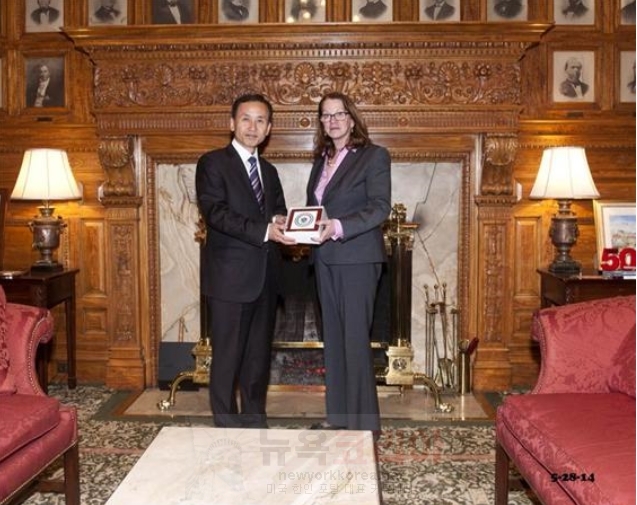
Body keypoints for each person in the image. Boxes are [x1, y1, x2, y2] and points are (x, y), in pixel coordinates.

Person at [195, 93, 295, 428]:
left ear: (269, 129)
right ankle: (226, 428)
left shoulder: (269, 171)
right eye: (246, 119)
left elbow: (277, 210)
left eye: (260, 120)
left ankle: (255, 423)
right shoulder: (212, 163)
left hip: (266, 278)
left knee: (257, 361)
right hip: (229, 280)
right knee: (227, 361)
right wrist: (266, 230)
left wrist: (282, 222)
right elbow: (216, 213)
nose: (253, 127)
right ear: (232, 123)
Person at [305, 92, 391, 436]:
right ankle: (339, 416)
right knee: (335, 340)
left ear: (352, 119)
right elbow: (317, 209)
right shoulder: (320, 161)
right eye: (326, 116)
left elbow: (380, 207)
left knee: (354, 340)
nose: (333, 121)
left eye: (339, 114)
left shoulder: (373, 156)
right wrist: (299, 229)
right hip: (324, 258)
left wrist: (338, 227)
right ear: (321, 123)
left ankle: (364, 424)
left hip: (357, 258)